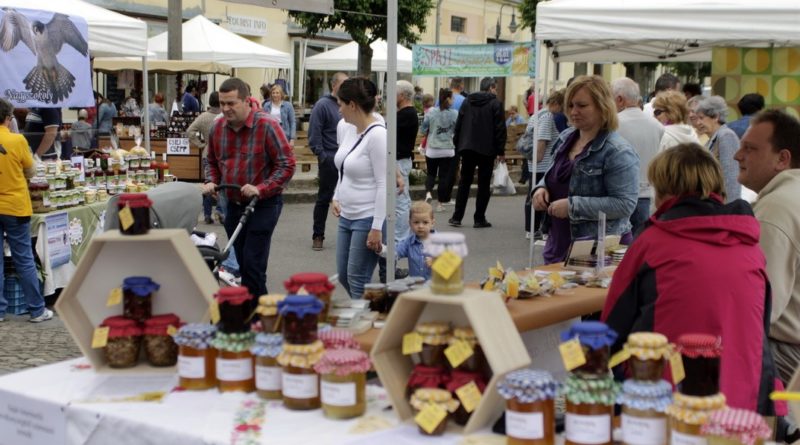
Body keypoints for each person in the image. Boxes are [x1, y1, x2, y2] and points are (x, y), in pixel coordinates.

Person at [601, 143, 776, 415]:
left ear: (665, 191)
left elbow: (611, 327)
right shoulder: (750, 246)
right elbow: (760, 327)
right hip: (743, 401)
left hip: (662, 398)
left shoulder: (652, 242)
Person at [203, 77, 296, 300]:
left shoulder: (267, 125)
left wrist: (261, 188)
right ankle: (256, 310)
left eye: (231, 103)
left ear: (246, 101)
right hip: (232, 204)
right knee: (243, 265)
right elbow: (211, 161)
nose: (226, 108)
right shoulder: (217, 128)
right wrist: (212, 181)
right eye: (222, 103)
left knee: (253, 265)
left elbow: (287, 164)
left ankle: (258, 314)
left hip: (263, 204)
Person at [532, 75, 639, 264]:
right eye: (570, 105)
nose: (574, 111)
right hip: (558, 245)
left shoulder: (617, 151)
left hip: (598, 253)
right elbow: (553, 174)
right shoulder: (565, 138)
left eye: (582, 105)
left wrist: (573, 206)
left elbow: (625, 203)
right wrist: (541, 188)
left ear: (602, 107)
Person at [734, 109, 800, 385]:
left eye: (749, 149)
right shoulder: (789, 196)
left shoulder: (776, 209)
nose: (737, 155)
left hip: (785, 353)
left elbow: (760, 308)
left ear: (782, 159)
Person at [331, 77, 387, 299]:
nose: (339, 109)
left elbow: (383, 183)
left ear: (352, 105)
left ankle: (365, 316)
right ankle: (370, 310)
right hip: (347, 215)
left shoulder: (378, 135)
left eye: (341, 104)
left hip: (367, 217)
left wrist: (377, 227)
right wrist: (336, 195)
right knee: (344, 276)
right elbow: (343, 167)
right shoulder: (347, 128)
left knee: (357, 279)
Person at [0, 98, 53, 323]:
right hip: (15, 206)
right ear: (8, 118)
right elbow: (31, 171)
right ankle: (37, 310)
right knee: (24, 258)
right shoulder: (17, 140)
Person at [448, 77, 506, 229]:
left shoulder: (468, 101)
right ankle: (479, 218)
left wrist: (457, 144)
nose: (496, 91)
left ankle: (457, 217)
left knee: (464, 182)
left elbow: (459, 123)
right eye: (495, 88)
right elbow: (500, 128)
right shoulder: (495, 104)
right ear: (491, 88)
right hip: (487, 149)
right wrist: (500, 150)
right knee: (483, 184)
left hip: (467, 147)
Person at [611, 77, 664, 236]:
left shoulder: (612, 124)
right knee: (640, 241)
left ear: (620, 100)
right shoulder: (657, 126)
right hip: (646, 195)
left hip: (618, 196)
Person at [309, 72, 348, 251]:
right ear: (334, 85)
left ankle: (349, 237)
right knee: (324, 198)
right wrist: (323, 156)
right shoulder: (323, 105)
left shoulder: (349, 105)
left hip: (348, 159)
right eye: (343, 84)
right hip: (330, 159)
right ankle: (318, 235)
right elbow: (314, 134)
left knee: (350, 198)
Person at [525, 90, 564, 239]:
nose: (561, 111)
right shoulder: (547, 117)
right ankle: (534, 229)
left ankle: (531, 228)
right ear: (555, 103)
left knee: (533, 195)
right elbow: (542, 140)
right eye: (561, 107)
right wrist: (539, 159)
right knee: (541, 197)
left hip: (534, 164)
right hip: (543, 164)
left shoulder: (536, 115)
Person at [695, 95, 741, 202]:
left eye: (701, 118)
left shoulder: (726, 136)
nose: (698, 123)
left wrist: (729, 207)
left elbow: (731, 177)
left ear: (716, 117)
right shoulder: (712, 139)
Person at [420, 88, 458, 212]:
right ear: (448, 99)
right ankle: (440, 204)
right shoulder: (454, 113)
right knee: (443, 177)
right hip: (447, 149)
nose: (453, 100)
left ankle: (428, 193)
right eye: (452, 98)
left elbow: (423, 128)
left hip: (432, 148)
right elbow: (457, 129)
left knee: (431, 174)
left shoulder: (431, 112)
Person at [189, 91, 223, 223]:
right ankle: (220, 210)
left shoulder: (203, 117)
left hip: (208, 152)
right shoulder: (224, 116)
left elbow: (190, 131)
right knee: (222, 183)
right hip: (223, 153)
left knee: (209, 183)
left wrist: (201, 144)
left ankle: (207, 214)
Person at [381, 201, 435, 280]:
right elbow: (394, 253)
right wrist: (380, 249)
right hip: (415, 285)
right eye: (416, 222)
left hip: (435, 285)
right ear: (410, 223)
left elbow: (451, 262)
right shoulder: (408, 242)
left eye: (425, 222)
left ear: (432, 223)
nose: (420, 226)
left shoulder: (440, 242)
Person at [395, 80, 418, 242]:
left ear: (402, 95)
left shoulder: (406, 114)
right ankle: (401, 237)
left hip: (400, 160)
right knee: (402, 200)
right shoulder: (407, 113)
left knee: (401, 201)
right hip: (402, 159)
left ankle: (400, 239)